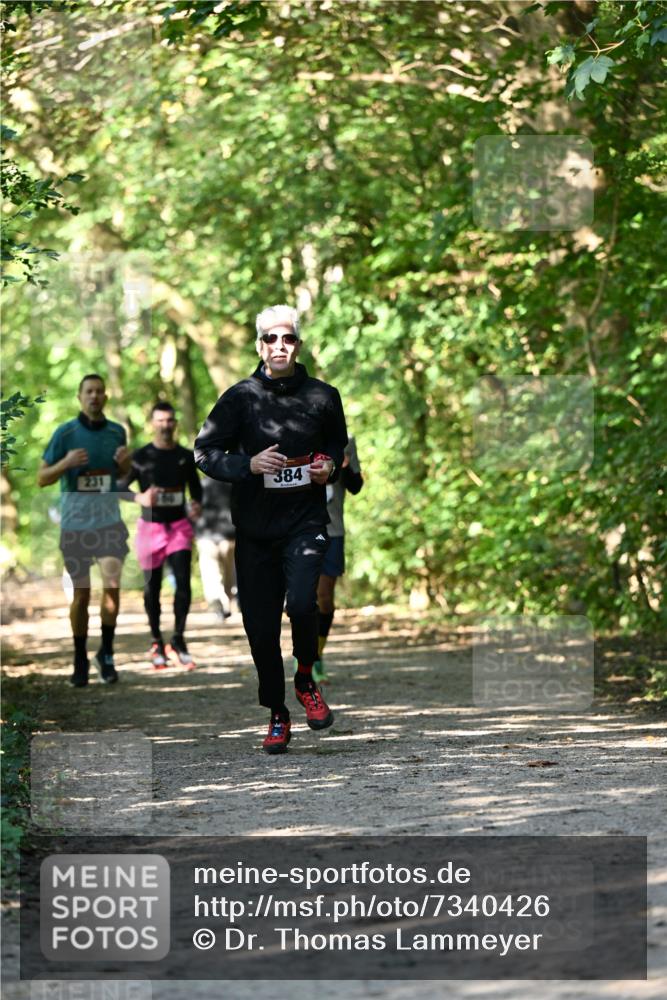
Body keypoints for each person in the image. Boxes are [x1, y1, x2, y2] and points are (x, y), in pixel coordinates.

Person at [194, 304, 348, 754]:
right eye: (271, 339)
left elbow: (337, 447)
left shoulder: (324, 396)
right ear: (260, 345)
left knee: (303, 602)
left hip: (305, 522)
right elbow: (205, 452)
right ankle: (278, 713)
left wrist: (329, 467)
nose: (280, 346)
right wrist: (249, 464)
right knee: (260, 629)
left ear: (298, 344)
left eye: (288, 339)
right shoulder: (240, 397)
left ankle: (306, 678)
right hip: (256, 529)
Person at [38, 373, 131, 687]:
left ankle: (105, 653)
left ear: (106, 397)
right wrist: (64, 463)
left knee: (112, 588)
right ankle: (79, 657)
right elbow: (42, 478)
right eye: (89, 391)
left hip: (109, 524)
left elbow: (122, 480)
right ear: (80, 397)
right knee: (81, 594)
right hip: (75, 526)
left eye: (99, 391)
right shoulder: (65, 433)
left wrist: (126, 466)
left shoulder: (117, 432)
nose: (94, 396)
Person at [120, 402, 202, 669]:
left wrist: (196, 505)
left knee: (183, 584)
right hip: (150, 528)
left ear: (174, 423)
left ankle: (178, 638)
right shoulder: (141, 456)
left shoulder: (184, 455)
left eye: (169, 420)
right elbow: (118, 487)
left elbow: (196, 491)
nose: (165, 425)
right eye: (160, 421)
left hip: (179, 526)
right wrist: (139, 497)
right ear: (152, 423)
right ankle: (156, 640)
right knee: (151, 588)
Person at [314, 436, 363, 682]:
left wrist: (343, 466)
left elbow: (356, 486)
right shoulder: (296, 431)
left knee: (324, 596)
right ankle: (305, 657)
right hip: (300, 528)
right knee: (302, 596)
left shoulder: (346, 442)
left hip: (332, 530)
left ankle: (316, 655)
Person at [196, 476, 237, 622]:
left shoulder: (201, 484)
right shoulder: (235, 481)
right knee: (229, 574)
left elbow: (194, 509)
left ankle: (218, 604)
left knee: (211, 574)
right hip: (229, 535)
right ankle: (228, 602)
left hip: (206, 535)